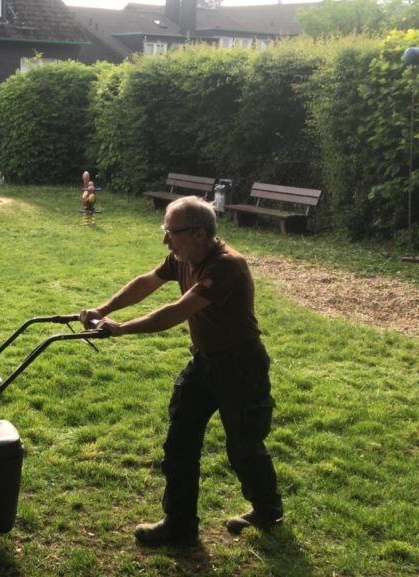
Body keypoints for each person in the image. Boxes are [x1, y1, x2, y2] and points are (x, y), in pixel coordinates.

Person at [80, 195, 283, 546]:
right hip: (204, 362)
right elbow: (147, 282)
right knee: (180, 442)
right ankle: (180, 523)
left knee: (244, 446)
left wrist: (122, 328)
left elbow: (175, 311)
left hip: (240, 366)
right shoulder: (182, 256)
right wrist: (102, 308)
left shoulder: (227, 266)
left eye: (171, 232)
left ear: (199, 233)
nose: (165, 240)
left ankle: (267, 510)